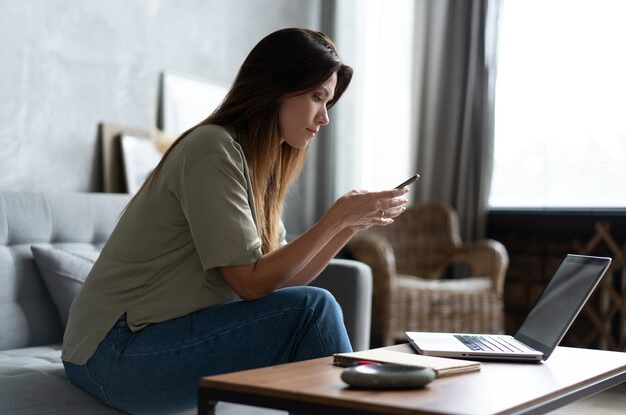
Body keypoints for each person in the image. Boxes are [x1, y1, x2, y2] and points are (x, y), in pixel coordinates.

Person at [62, 28, 409, 415]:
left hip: (148, 342)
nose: (324, 117)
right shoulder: (212, 149)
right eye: (317, 97)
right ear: (278, 85)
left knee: (309, 309)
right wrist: (334, 219)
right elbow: (250, 283)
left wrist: (348, 225)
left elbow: (281, 281)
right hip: (112, 351)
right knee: (313, 309)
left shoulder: (260, 167)